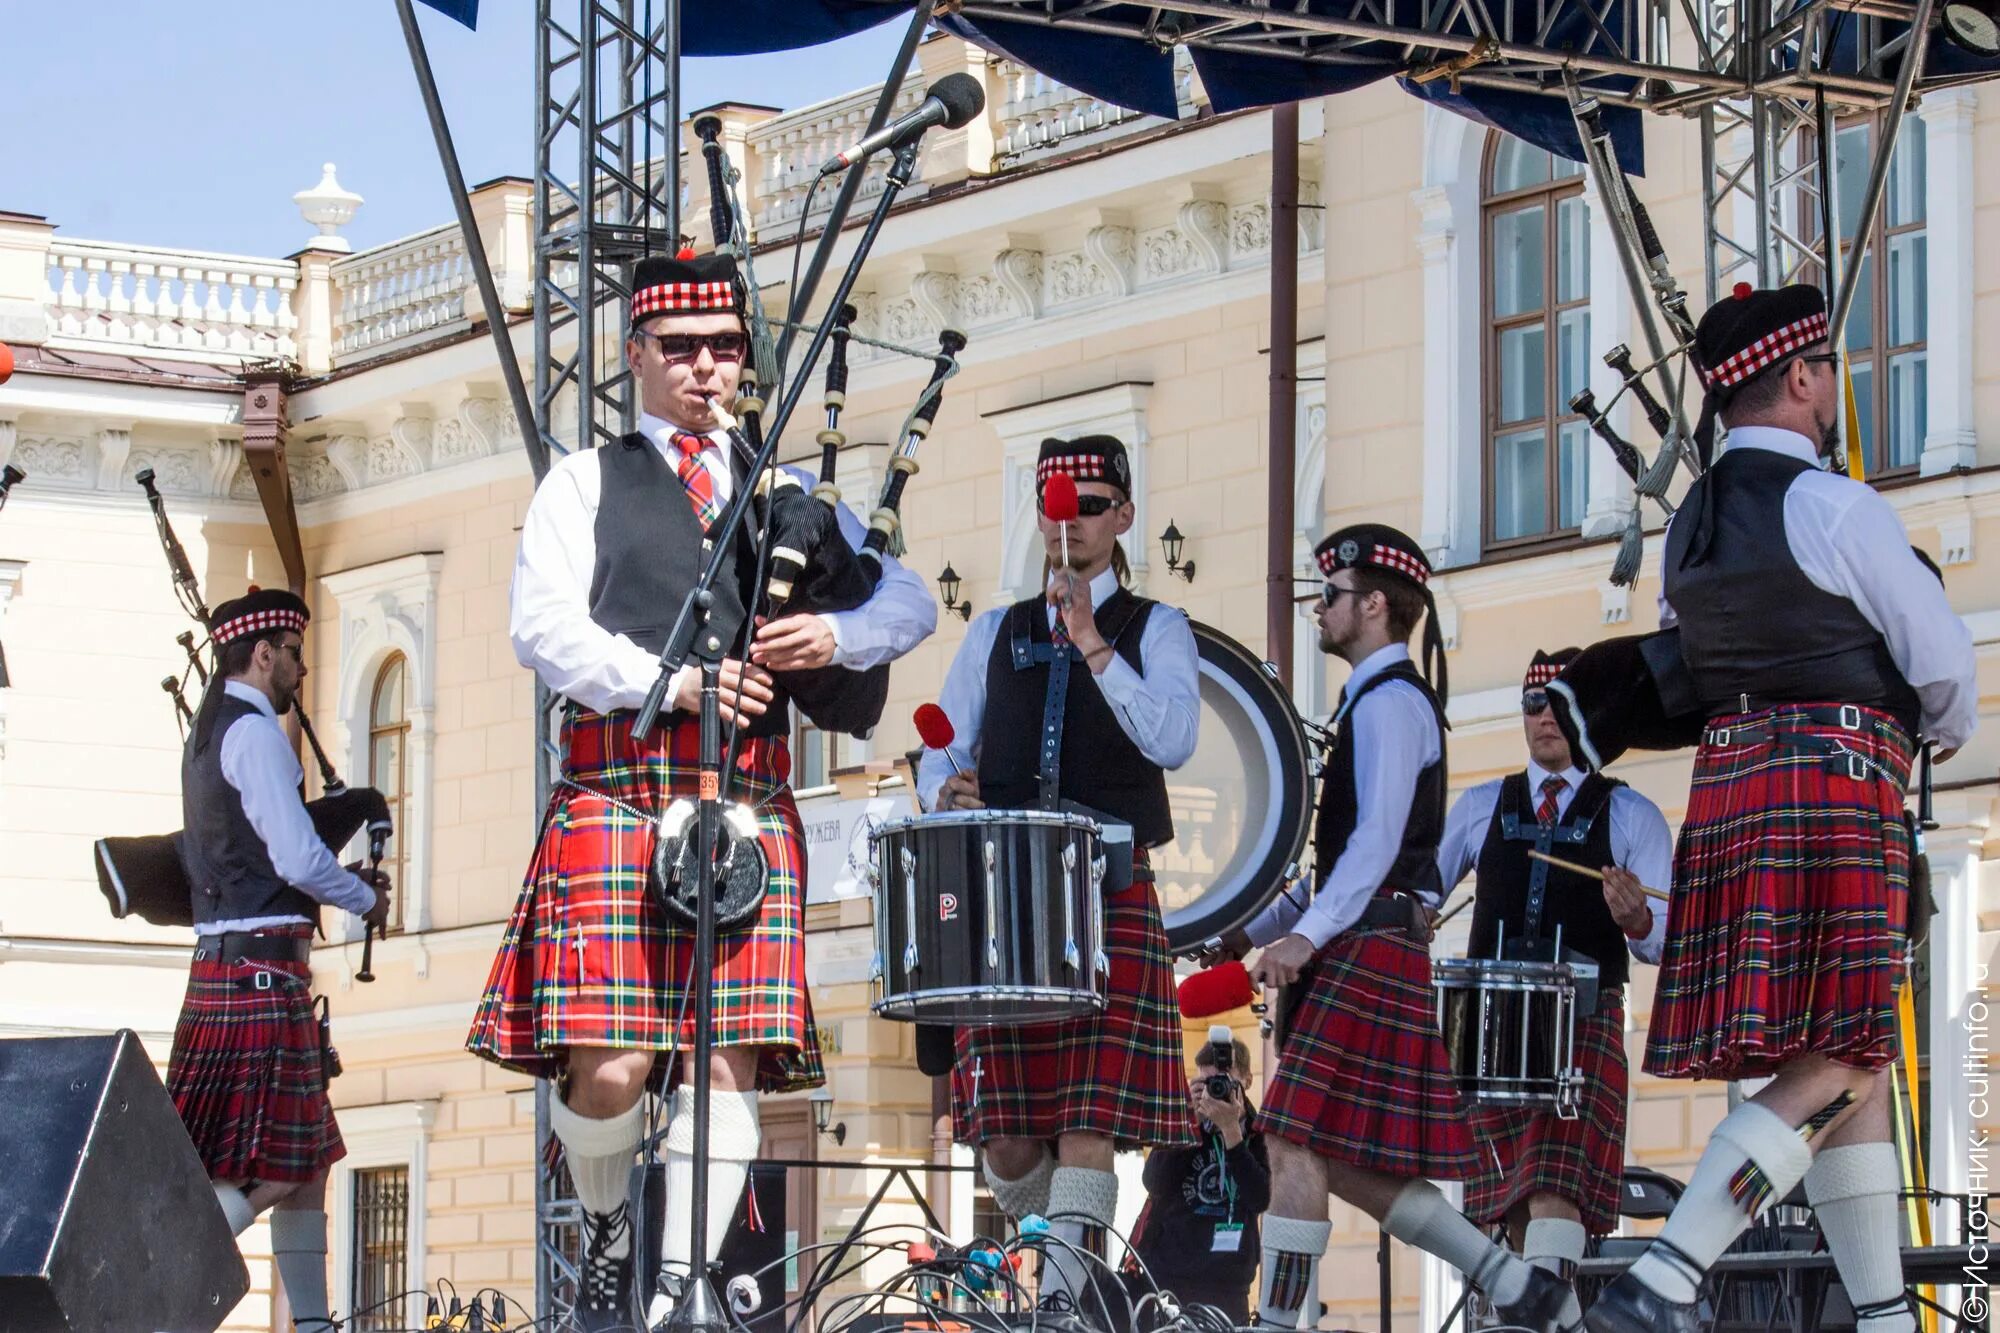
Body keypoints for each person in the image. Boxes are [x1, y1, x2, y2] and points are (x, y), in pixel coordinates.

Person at [466, 248, 936, 1332]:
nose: (706, 370)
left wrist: (839, 631)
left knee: (726, 1057)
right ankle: (609, 1229)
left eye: (724, 349)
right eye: (679, 350)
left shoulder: (786, 493)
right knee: (621, 1063)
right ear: (635, 357)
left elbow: (905, 598)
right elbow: (541, 627)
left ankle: (680, 1296)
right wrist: (670, 679)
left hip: (748, 806)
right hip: (622, 793)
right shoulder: (584, 482)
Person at [1585, 283, 1978, 1333]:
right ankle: (1670, 1269)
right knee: (1843, 1052)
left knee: (1838, 1062)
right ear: (1801, 378)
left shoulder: (1690, 533)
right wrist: (1924, 734)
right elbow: (1942, 671)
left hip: (1733, 784)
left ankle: (1885, 1316)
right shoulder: (1835, 506)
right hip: (1837, 782)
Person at [1217, 525, 1570, 1333]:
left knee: (1292, 1139)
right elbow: (1336, 862)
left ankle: (1277, 1325)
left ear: (1374, 604)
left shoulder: (1392, 701)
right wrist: (1250, 928)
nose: (1319, 609)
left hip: (1366, 943)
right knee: (1334, 1154)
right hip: (1366, 939)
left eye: (1331, 596)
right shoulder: (1375, 702)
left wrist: (1306, 937)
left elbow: (1376, 843)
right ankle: (1514, 1283)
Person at [917, 434, 1200, 1312]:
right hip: (1004, 902)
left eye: (1086, 505)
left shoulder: (1157, 628)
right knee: (1003, 1137)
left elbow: (1174, 738)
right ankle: (1087, 1278)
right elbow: (939, 751)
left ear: (1122, 516)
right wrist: (946, 794)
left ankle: (1066, 1304)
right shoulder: (994, 632)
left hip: (1105, 891)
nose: (1065, 522)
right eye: (1052, 505)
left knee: (1087, 1121)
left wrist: (1094, 645)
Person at [166, 588, 394, 1333]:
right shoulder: (256, 735)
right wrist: (363, 894)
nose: (300, 665)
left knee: (309, 1163)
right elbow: (295, 855)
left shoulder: (210, 733)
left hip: (231, 973)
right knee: (276, 1166)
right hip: (259, 976)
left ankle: (315, 1324)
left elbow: (271, 841)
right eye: (293, 652)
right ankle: (162, 1273)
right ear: (262, 653)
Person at [1435, 647, 1676, 1329]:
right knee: (1506, 1204)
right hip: (1489, 1023)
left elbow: (1660, 940)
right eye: (1531, 703)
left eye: (1557, 703)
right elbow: (1422, 890)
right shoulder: (1483, 805)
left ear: (1587, 713)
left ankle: (1535, 1322)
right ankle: (1548, 1319)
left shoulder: (1632, 814)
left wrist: (1637, 919)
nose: (1542, 717)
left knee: (1552, 1187)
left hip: (1583, 1021)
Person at [1128, 1033, 1270, 1328]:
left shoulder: (1259, 1134)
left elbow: (1260, 1198)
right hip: (1171, 1278)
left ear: (1247, 1080)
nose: (1216, 1093)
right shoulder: (1184, 1124)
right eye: (1207, 1085)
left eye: (1224, 1083)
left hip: (1229, 1283)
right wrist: (1188, 1118)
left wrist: (1233, 1134)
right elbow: (1154, 1181)